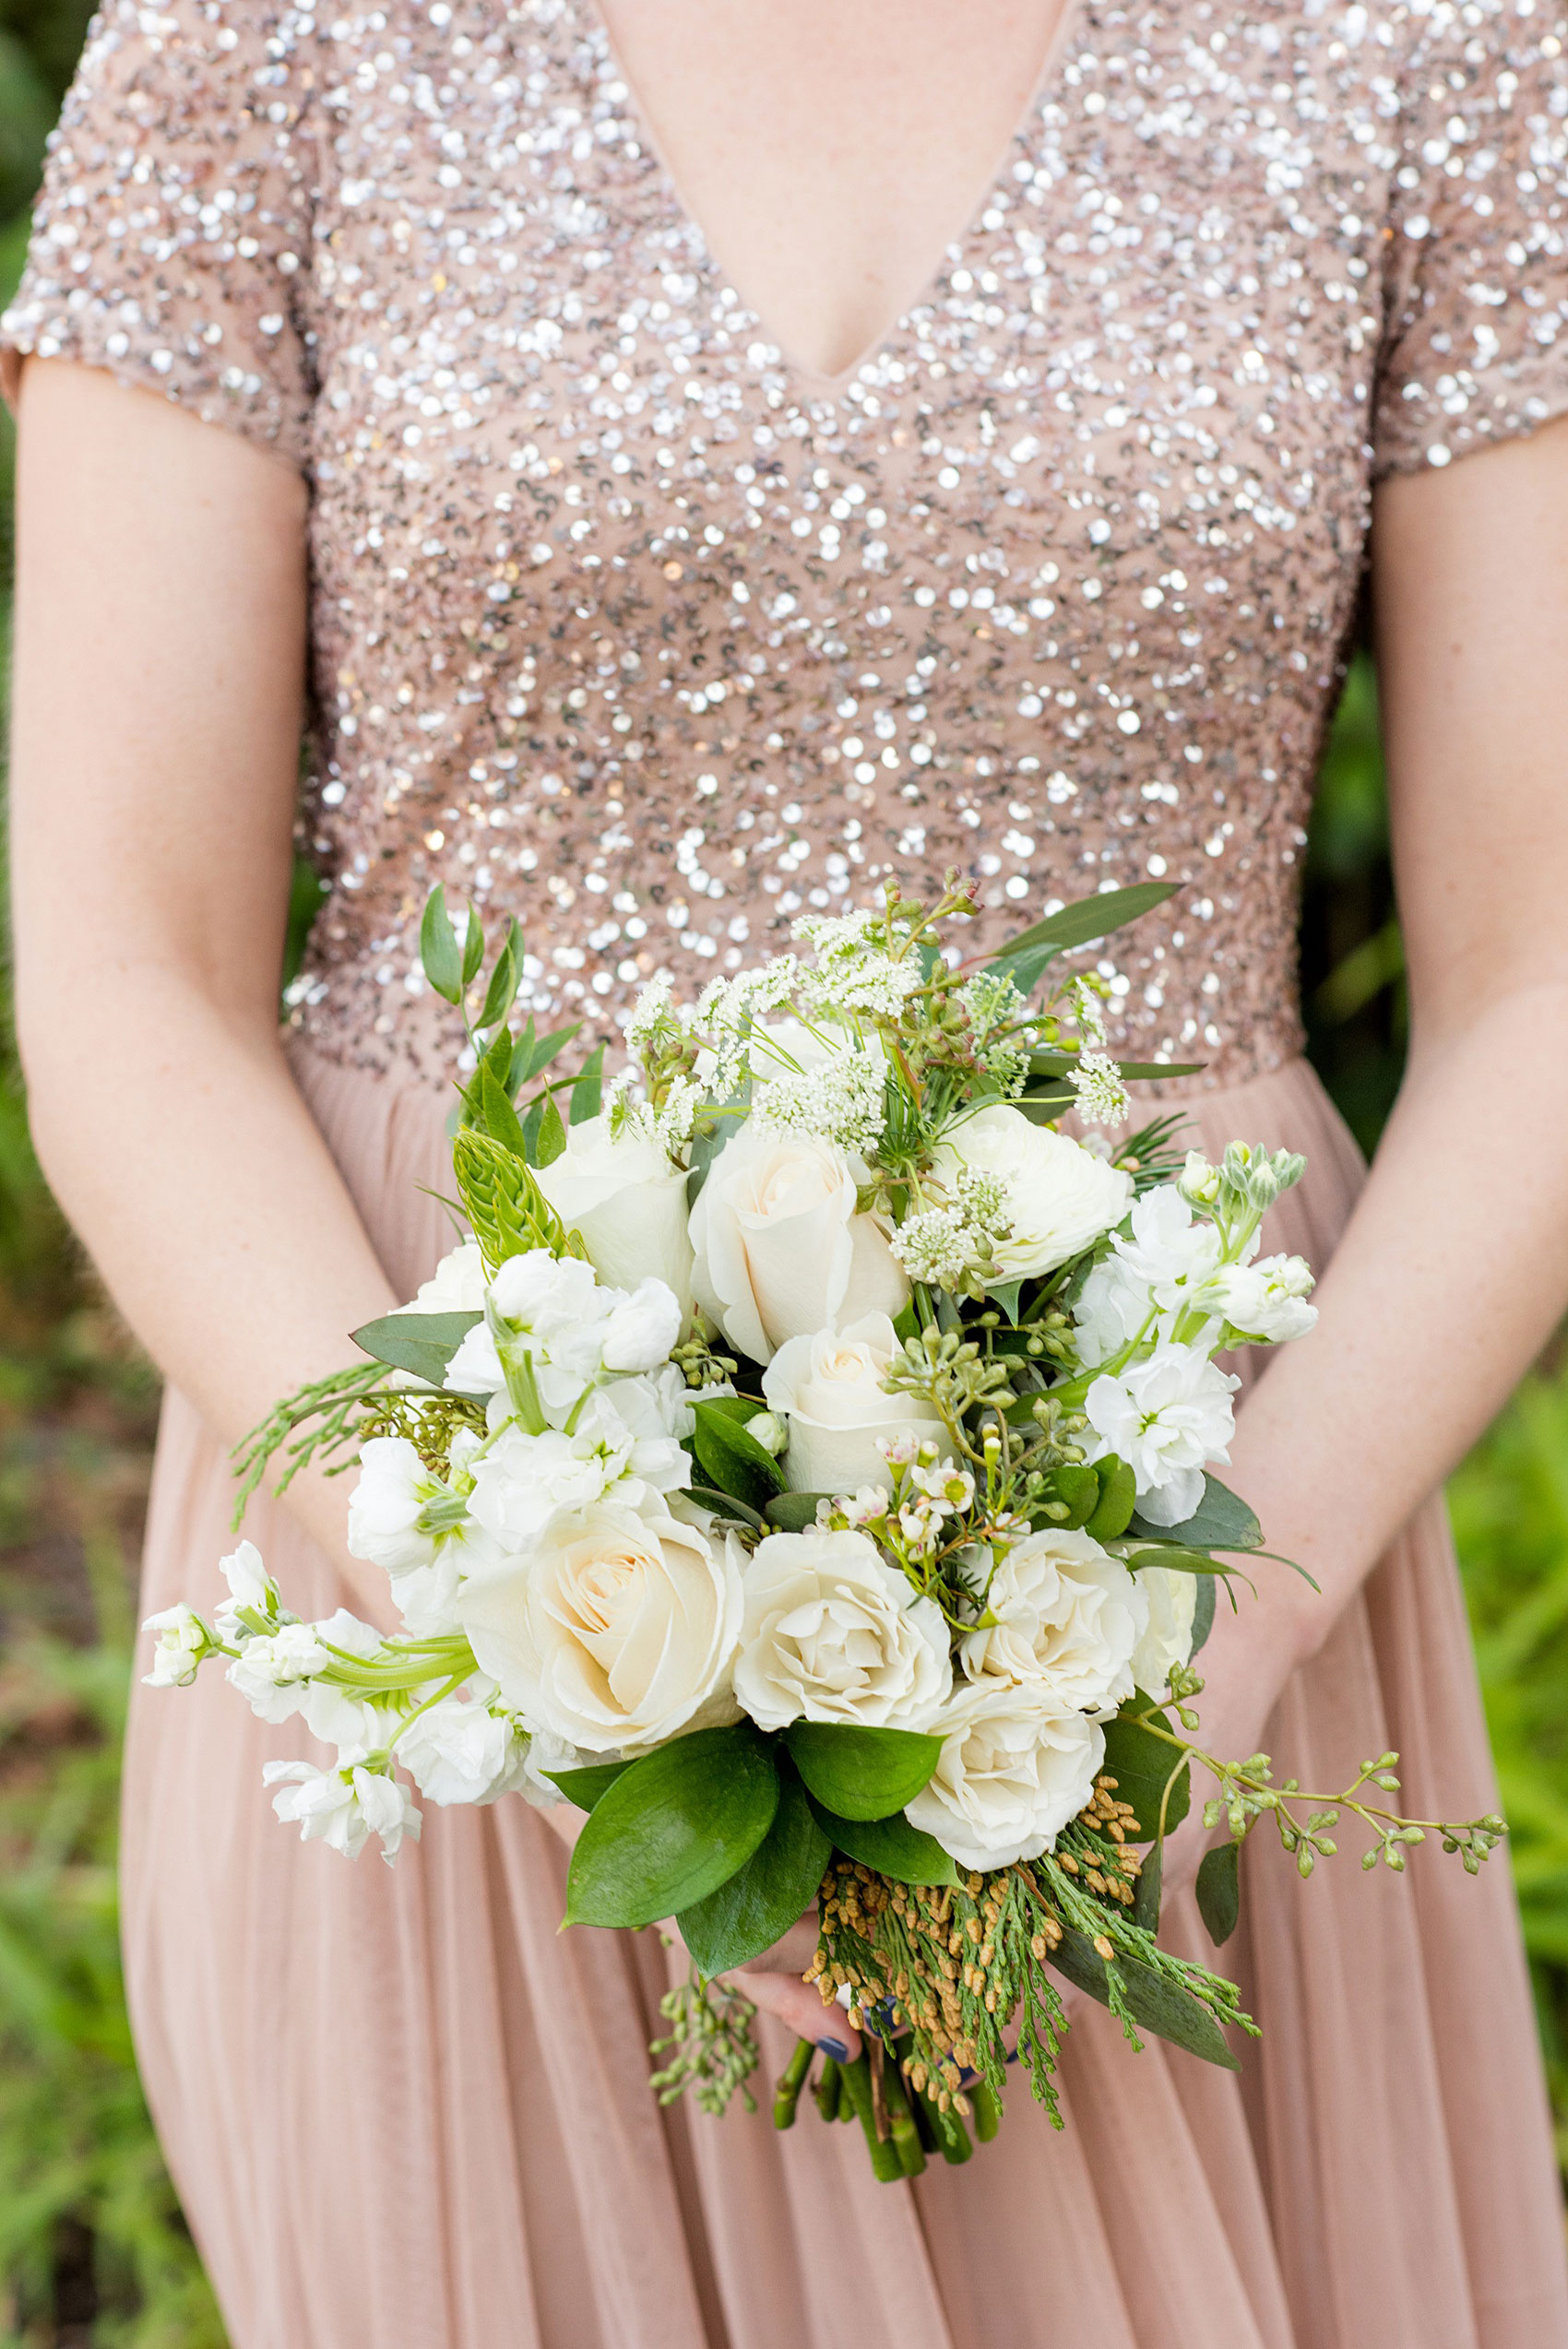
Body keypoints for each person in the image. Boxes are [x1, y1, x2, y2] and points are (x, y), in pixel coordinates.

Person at [6, 0, 1568, 2339]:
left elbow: (1547, 972)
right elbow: (129, 977)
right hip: (438, 1502)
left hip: (1190, 1502)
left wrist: (1201, 1645)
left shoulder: (1435, 38)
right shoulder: (266, 28)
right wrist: (506, 1615)